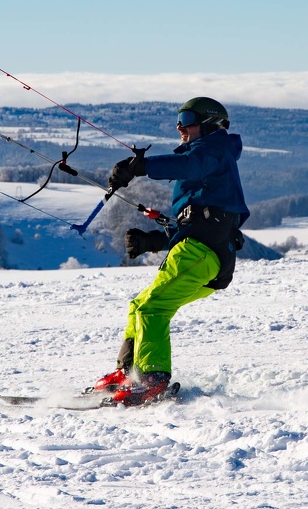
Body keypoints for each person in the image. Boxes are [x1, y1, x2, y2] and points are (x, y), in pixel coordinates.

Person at [94, 97, 250, 405]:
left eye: (187, 118)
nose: (179, 126)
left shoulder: (214, 149)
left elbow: (190, 165)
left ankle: (152, 381)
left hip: (203, 253)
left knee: (154, 309)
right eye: (177, 119)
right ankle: (128, 373)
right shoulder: (208, 163)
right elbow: (196, 223)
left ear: (209, 124)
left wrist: (142, 166)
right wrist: (152, 241)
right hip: (195, 250)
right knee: (140, 304)